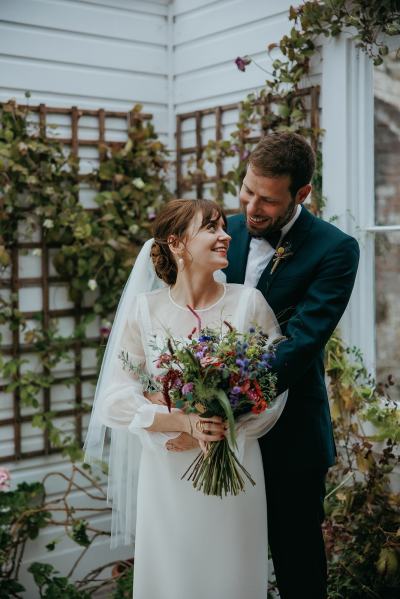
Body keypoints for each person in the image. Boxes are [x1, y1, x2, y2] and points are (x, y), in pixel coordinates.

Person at [83, 198, 288, 599]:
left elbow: (274, 390)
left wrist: (217, 428)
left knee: (231, 574)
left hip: (235, 464)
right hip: (167, 470)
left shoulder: (249, 303)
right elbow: (114, 398)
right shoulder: (144, 310)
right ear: (177, 243)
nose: (226, 235)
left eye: (223, 227)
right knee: (174, 579)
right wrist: (182, 422)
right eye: (211, 228)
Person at [224, 132, 360, 598]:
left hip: (291, 433)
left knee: (297, 562)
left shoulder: (335, 250)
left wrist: (228, 399)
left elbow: (302, 342)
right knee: (226, 557)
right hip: (218, 435)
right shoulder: (224, 231)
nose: (251, 207)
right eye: (247, 190)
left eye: (267, 200)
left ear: (301, 194)